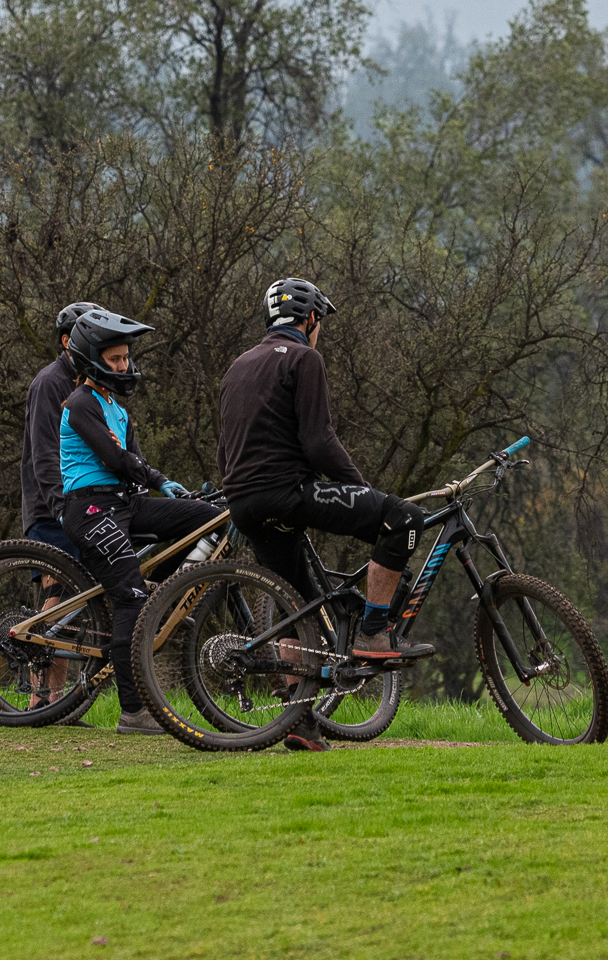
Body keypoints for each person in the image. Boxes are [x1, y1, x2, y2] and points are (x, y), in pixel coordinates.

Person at [218, 277, 432, 668]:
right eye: (321, 322)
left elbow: (224, 451)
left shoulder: (237, 366)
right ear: (311, 317)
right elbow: (319, 441)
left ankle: (298, 721)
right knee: (404, 518)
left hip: (243, 504)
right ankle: (374, 633)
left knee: (294, 606)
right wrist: (360, 488)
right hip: (288, 492)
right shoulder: (304, 359)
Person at [52, 306, 218, 735]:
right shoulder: (80, 402)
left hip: (125, 504)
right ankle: (133, 712)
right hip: (90, 510)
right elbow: (116, 459)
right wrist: (161, 479)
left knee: (211, 519)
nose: (125, 366)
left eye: (127, 358)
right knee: (130, 600)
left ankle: (164, 586)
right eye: (117, 359)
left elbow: (134, 461)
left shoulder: (116, 408)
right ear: (93, 358)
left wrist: (172, 492)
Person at [22, 300, 101, 546]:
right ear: (67, 342)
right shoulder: (49, 383)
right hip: (50, 513)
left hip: (86, 509)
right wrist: (62, 510)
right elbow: (44, 454)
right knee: (61, 586)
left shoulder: (94, 382)